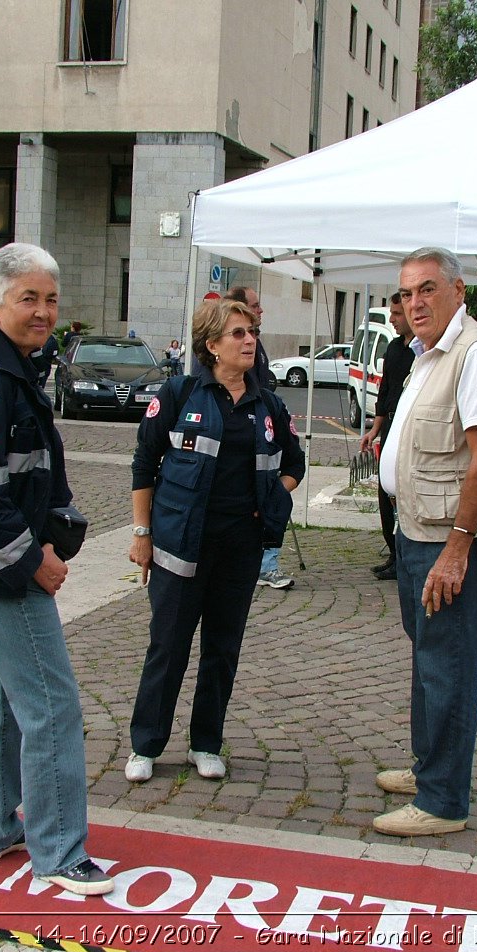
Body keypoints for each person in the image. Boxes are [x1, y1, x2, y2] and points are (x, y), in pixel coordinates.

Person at [0, 241, 113, 897]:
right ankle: (60, 851)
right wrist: (32, 559)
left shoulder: (8, 369)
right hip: (3, 571)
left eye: (49, 299)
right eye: (28, 299)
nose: (43, 311)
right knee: (50, 706)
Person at [125, 297, 305, 784]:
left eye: (252, 332)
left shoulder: (268, 403)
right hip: (180, 545)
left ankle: (205, 742)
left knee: (222, 650)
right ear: (212, 346)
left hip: (240, 549)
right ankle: (146, 745)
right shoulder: (181, 394)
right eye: (238, 333)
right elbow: (144, 464)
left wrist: (271, 495)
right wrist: (142, 534)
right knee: (168, 646)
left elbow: (295, 465)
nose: (250, 340)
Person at [373, 247, 477, 838]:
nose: (415, 303)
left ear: (459, 291)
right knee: (428, 659)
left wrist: (458, 546)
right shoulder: (424, 355)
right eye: (406, 294)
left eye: (427, 289)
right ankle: (431, 768)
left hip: (444, 540)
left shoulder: (474, 354)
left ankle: (443, 801)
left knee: (448, 664)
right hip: (415, 530)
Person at [225, 284, 292, 589]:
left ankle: (267, 561)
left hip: (267, 435)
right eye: (256, 305)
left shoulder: (257, 344)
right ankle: (262, 563)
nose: (261, 310)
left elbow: (296, 465)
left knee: (270, 493)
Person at [359, 293, 418, 580]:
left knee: (403, 494)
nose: (392, 319)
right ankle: (393, 552)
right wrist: (375, 428)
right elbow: (384, 393)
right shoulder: (394, 348)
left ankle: (405, 555)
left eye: (396, 313)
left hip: (410, 428)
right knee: (385, 490)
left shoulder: (420, 351)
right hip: (390, 426)